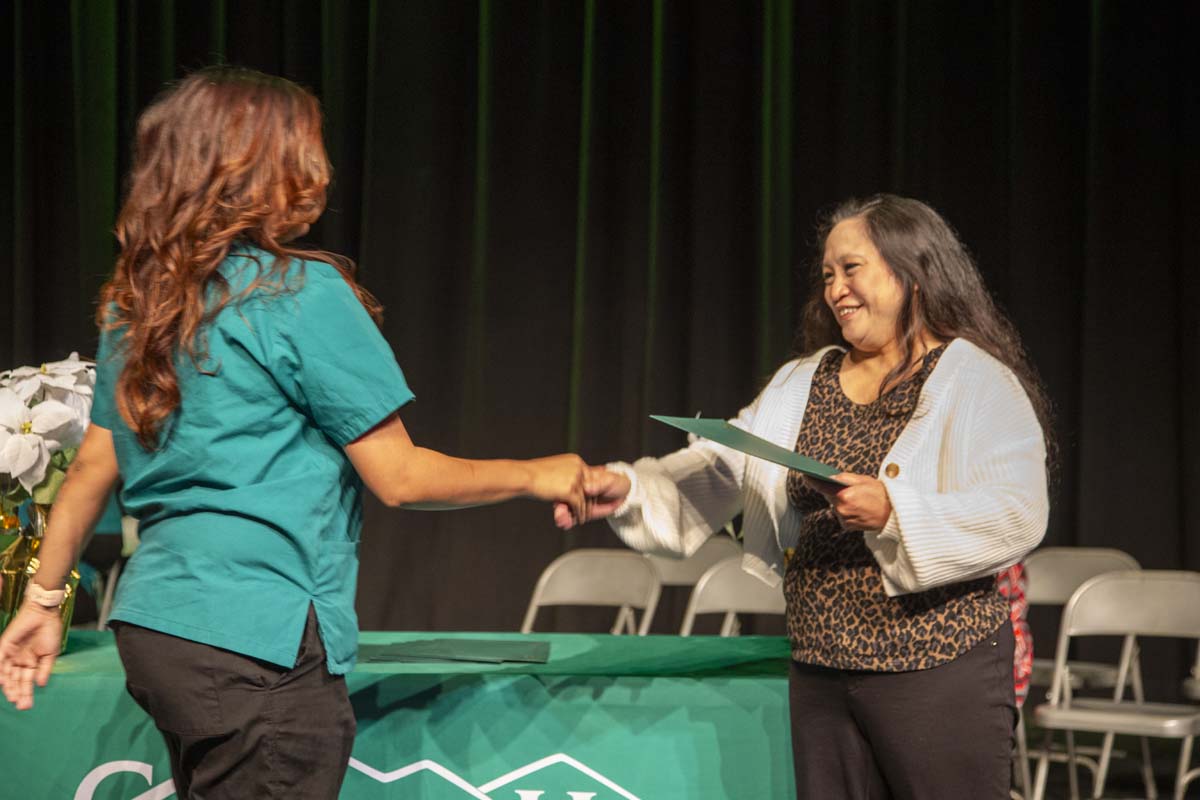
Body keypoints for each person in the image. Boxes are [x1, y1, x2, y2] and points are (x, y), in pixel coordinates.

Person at [0, 66, 588, 799]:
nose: (323, 167)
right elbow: (401, 479)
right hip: (259, 643)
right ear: (263, 164)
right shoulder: (297, 292)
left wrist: (41, 604)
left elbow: (93, 469)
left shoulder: (138, 307)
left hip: (158, 630)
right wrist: (538, 473)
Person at [558, 194, 1051, 799]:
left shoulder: (973, 379)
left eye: (852, 269)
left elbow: (1019, 512)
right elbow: (720, 468)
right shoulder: (802, 381)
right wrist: (630, 486)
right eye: (827, 275)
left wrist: (895, 512)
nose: (835, 289)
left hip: (936, 670)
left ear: (914, 273)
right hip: (821, 670)